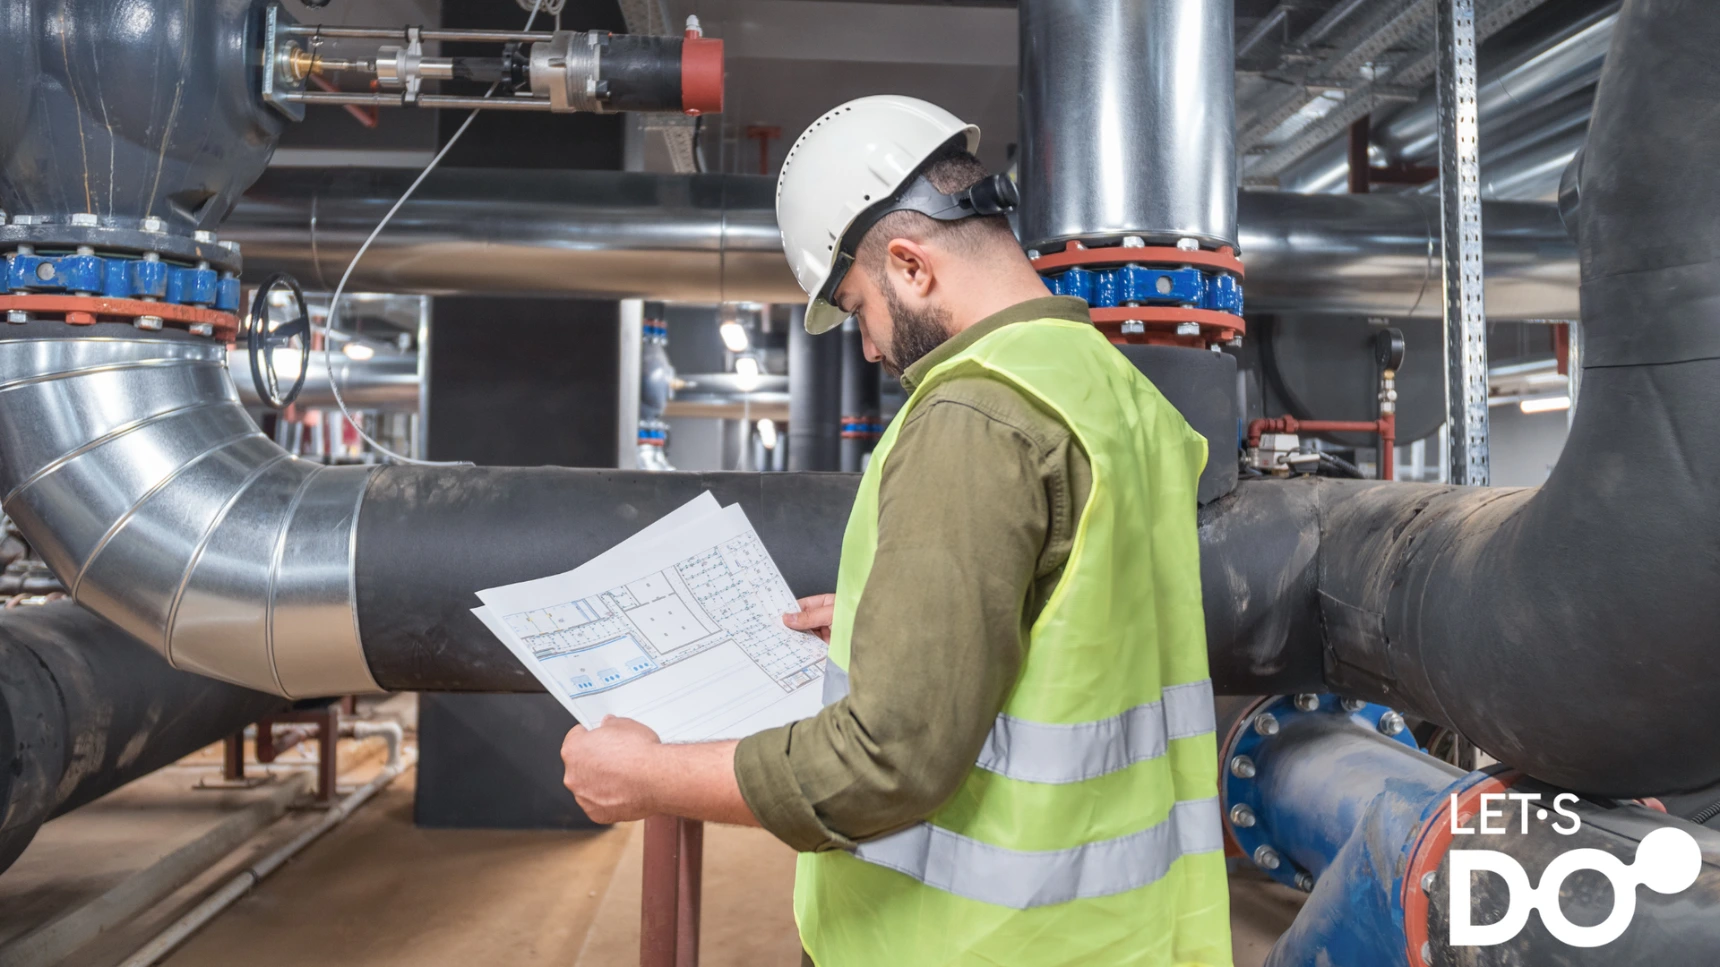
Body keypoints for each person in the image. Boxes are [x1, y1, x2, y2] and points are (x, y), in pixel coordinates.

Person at [559, 95, 1232, 966]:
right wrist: (911, 625)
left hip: (983, 941)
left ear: (910, 264)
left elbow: (887, 763)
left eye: (858, 305)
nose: (869, 349)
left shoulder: (973, 413)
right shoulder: (1111, 390)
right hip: (1120, 931)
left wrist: (649, 776)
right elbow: (1084, 627)